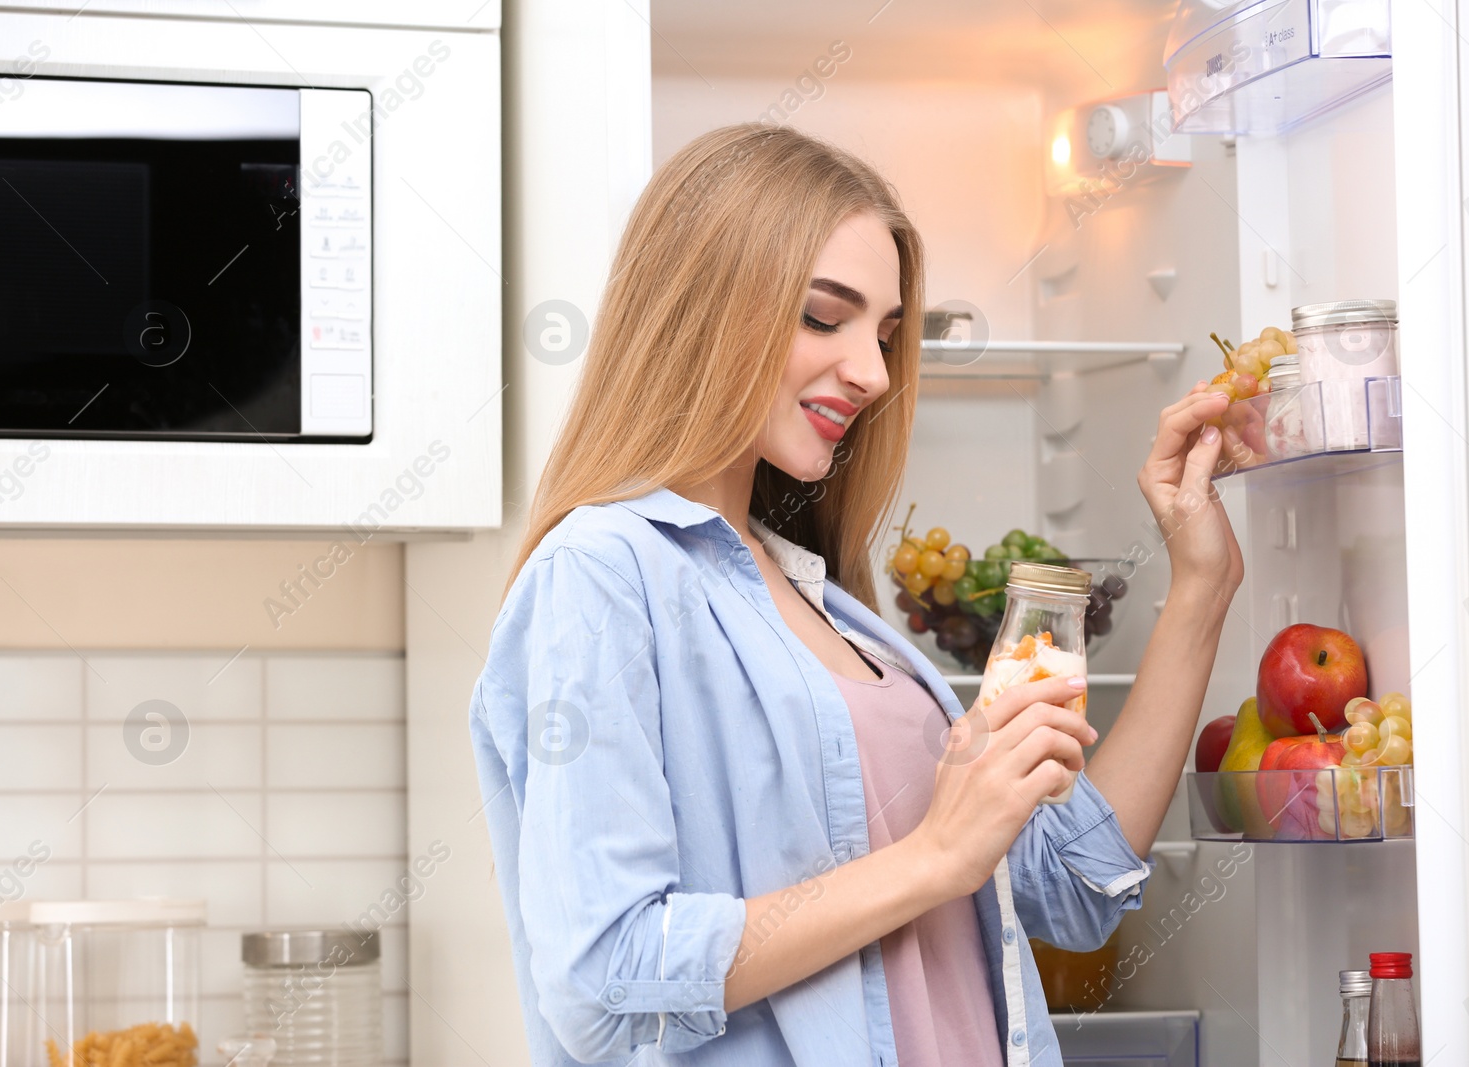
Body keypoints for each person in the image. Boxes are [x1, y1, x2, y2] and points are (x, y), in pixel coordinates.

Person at [470, 122, 1242, 1067]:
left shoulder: (826, 603)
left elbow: (1070, 886)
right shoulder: (599, 575)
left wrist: (1202, 581)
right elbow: (605, 978)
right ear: (705, 308)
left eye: (883, 334)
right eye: (823, 317)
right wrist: (930, 859)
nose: (875, 373)